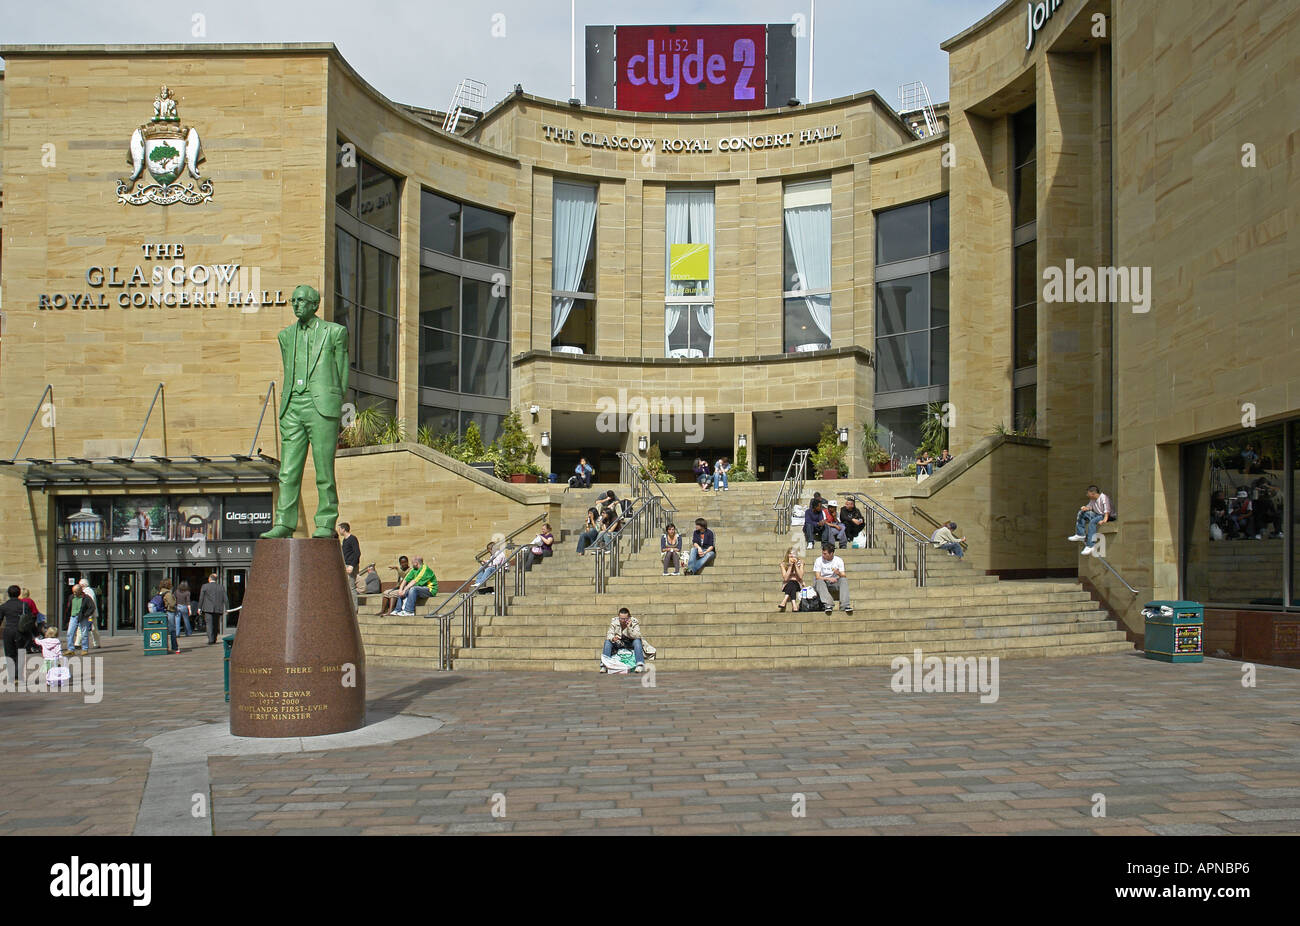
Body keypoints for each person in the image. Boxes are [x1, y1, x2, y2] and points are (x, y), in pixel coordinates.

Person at [1067, 485, 1114, 556]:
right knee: (1081, 513)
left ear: (1093, 493)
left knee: (1092, 522)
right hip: (1097, 514)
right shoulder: (1092, 500)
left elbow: (1107, 509)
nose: (1087, 495)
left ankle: (1090, 545)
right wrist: (1085, 508)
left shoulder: (1103, 497)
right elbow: (1090, 507)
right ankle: (1080, 534)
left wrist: (1104, 520)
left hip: (1106, 516)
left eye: (1088, 493)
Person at [598, 607, 646, 674]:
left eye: (625, 619)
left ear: (629, 617)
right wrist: (613, 638)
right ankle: (604, 665)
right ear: (618, 617)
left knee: (637, 641)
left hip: (630, 642)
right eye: (621, 618)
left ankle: (640, 664)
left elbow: (637, 635)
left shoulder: (634, 622)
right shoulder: (614, 621)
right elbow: (609, 634)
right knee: (607, 642)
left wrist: (629, 627)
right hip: (619, 642)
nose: (623, 620)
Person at [1, 585, 33, 677]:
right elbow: (29, 619)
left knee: (10, 654)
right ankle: (19, 675)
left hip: (8, 631)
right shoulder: (24, 605)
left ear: (8, 594)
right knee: (21, 653)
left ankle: (12, 676)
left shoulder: (4, 606)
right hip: (21, 631)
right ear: (19, 593)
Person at [812, 542, 852, 615]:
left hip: (835, 581)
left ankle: (845, 605)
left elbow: (843, 575)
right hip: (823, 582)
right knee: (818, 581)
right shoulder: (818, 560)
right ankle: (828, 604)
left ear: (831, 553)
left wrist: (838, 573)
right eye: (823, 553)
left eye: (825, 554)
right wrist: (828, 579)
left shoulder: (838, 560)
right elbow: (817, 576)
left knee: (844, 580)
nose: (823, 555)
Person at [198, 572, 228, 645]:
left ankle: (211, 640)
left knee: (209, 624)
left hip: (208, 608)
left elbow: (201, 598)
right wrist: (227, 608)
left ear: (209, 579)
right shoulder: (221, 587)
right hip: (218, 608)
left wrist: (199, 608)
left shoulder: (205, 586)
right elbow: (225, 598)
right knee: (215, 623)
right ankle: (214, 638)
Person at [338, 522, 361, 605]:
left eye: (340, 528)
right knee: (347, 587)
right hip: (346, 565)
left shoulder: (352, 538)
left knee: (351, 587)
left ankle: (354, 609)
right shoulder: (345, 540)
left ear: (343, 529)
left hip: (351, 566)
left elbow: (357, 553)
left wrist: (351, 565)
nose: (339, 530)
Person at [74, 584, 100, 655]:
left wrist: (89, 615)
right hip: (86, 615)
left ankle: (95, 643)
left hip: (88, 615)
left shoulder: (88, 592)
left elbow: (91, 605)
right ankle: (78, 643)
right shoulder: (87, 591)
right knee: (84, 629)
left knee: (90, 629)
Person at [778, 547, 804, 612]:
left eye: (794, 554)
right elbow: (785, 578)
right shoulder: (783, 564)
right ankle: (794, 605)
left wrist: (795, 565)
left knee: (793, 582)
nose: (792, 555)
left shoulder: (801, 563)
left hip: (798, 583)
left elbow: (800, 576)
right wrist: (790, 566)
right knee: (791, 583)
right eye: (790, 553)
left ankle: (784, 600)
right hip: (787, 584)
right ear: (787, 555)